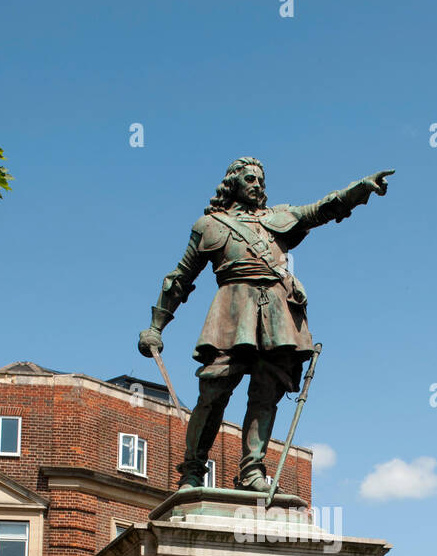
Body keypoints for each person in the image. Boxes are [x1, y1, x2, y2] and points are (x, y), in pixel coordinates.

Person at [137, 157, 393, 491]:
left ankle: (252, 470)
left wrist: (357, 191)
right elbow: (180, 278)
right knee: (213, 392)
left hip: (276, 312)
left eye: (261, 179)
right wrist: (156, 326)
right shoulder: (209, 225)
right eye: (250, 179)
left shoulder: (279, 218)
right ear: (233, 184)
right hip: (231, 311)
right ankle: (192, 470)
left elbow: (321, 210)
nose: (258, 184)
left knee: (266, 393)